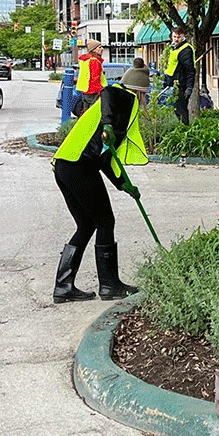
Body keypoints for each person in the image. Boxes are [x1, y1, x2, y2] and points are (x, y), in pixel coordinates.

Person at [51, 82, 149, 303]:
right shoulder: (125, 97)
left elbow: (105, 158)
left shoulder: (117, 109)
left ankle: (63, 287)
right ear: (140, 89)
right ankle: (109, 285)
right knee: (105, 221)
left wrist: (124, 185)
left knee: (86, 225)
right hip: (79, 166)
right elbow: (107, 92)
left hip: (65, 165)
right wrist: (107, 125)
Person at [162, 27, 196, 125]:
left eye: (179, 37)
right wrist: (167, 80)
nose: (176, 39)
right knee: (177, 110)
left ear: (183, 36)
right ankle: (182, 129)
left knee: (181, 111)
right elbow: (171, 67)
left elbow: (190, 71)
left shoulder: (185, 50)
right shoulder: (174, 48)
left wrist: (189, 87)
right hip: (175, 84)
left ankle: (185, 130)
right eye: (174, 36)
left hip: (181, 85)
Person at [76, 38, 106, 111]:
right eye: (99, 47)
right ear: (94, 49)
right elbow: (95, 78)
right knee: (95, 113)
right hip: (94, 92)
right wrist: (101, 91)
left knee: (87, 113)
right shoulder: (94, 62)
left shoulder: (85, 60)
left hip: (86, 91)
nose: (102, 49)